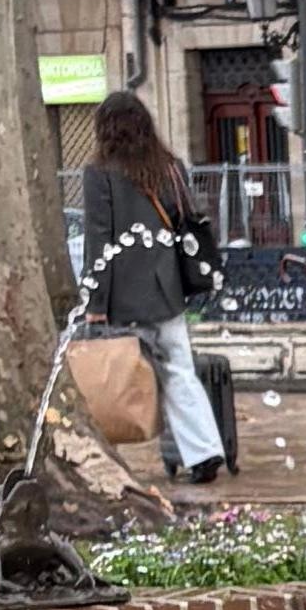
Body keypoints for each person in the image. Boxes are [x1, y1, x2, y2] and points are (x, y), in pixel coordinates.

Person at [76, 88, 230, 488]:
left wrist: (95, 301)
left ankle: (120, 454)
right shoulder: (171, 166)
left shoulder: (99, 173)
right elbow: (183, 219)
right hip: (167, 287)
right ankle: (205, 451)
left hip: (123, 292)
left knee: (125, 375)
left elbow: (99, 238)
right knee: (179, 369)